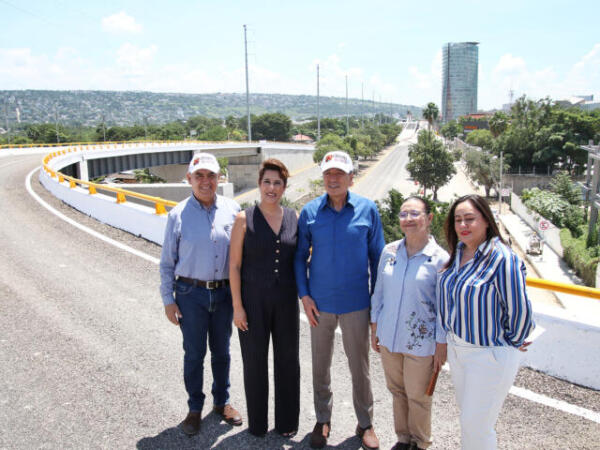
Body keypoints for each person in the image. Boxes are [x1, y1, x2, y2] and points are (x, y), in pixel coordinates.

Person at [294, 150, 385, 450]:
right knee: (320, 365)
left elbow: (378, 260)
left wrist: (376, 307)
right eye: (328, 174)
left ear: (351, 178)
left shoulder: (367, 210)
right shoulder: (309, 212)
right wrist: (304, 296)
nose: (333, 179)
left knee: (360, 367)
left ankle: (366, 423)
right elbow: (298, 258)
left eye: (339, 174)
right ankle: (322, 418)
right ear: (323, 178)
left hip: (356, 303)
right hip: (319, 304)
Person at [437, 194, 534, 450]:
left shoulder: (502, 259)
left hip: (488, 354)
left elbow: (521, 312)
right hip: (459, 351)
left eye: (470, 219)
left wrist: (507, 344)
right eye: (458, 220)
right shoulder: (458, 254)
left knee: (477, 427)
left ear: (487, 222)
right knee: (469, 422)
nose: (462, 226)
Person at [159, 152, 243, 436]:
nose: (206, 181)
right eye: (199, 176)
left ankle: (222, 402)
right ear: (189, 179)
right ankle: (195, 409)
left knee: (223, 352)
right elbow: (167, 262)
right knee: (194, 354)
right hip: (189, 294)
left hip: (223, 294)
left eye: (211, 175)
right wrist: (168, 300)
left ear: (220, 178)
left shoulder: (233, 210)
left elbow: (244, 256)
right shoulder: (177, 214)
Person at [370, 197, 449, 450]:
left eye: (415, 213)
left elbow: (445, 308)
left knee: (419, 396)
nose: (408, 219)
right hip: (389, 335)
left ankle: (421, 442)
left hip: (421, 342)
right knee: (397, 391)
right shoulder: (390, 251)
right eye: (403, 214)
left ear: (429, 218)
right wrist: (374, 327)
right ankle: (403, 439)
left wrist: (441, 344)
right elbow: (379, 292)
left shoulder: (440, 259)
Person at [229, 159, 300, 437]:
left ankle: (286, 424)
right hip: (252, 303)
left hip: (286, 303)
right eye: (267, 182)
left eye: (277, 183)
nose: (272, 188)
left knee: (288, 362)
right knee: (255, 363)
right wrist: (237, 307)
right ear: (259, 185)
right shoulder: (243, 219)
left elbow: (302, 257)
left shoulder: (295, 217)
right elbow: (233, 265)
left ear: (284, 186)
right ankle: (257, 424)